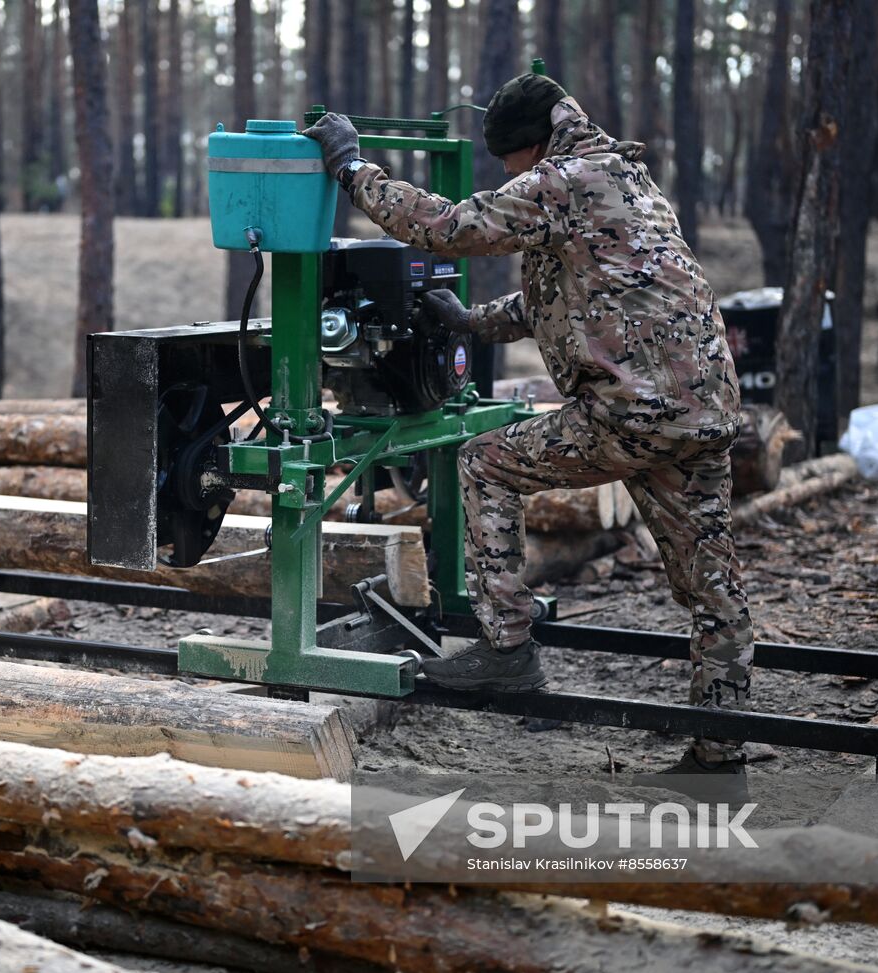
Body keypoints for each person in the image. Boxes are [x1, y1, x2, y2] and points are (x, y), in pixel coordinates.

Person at [304, 73, 754, 799]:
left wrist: (352, 166)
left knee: (484, 461)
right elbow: (583, 291)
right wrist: (473, 321)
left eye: (509, 163)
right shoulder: (622, 176)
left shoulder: (561, 180)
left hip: (633, 414)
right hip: (699, 411)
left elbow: (445, 227)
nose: (510, 178)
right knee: (710, 577)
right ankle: (720, 750)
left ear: (530, 147)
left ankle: (508, 649)